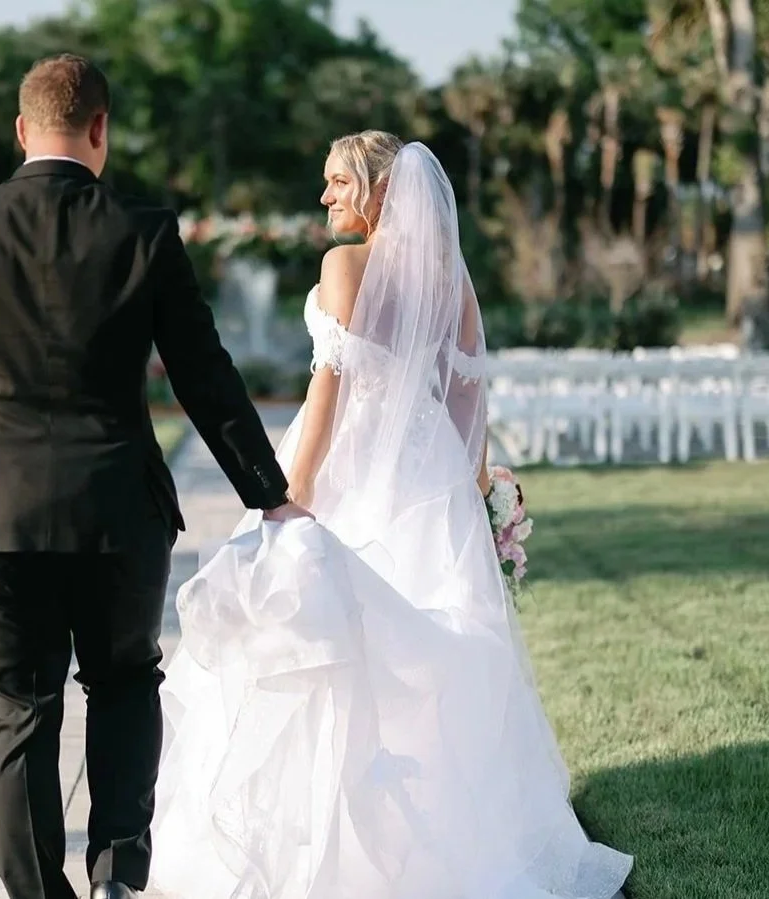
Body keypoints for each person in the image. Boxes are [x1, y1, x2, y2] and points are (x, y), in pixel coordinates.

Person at [146, 131, 635, 899]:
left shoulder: (343, 265)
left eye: (338, 182)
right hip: (429, 475)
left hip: (348, 467)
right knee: (432, 661)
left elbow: (327, 394)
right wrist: (478, 490)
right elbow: (470, 397)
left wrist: (286, 498)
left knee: (330, 646)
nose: (326, 197)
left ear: (378, 190)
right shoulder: (454, 281)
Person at [0, 54, 310, 899]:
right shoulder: (143, 231)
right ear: (100, 129)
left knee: (14, 707)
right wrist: (268, 489)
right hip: (117, 512)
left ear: (21, 131)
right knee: (122, 683)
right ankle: (116, 870)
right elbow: (203, 374)